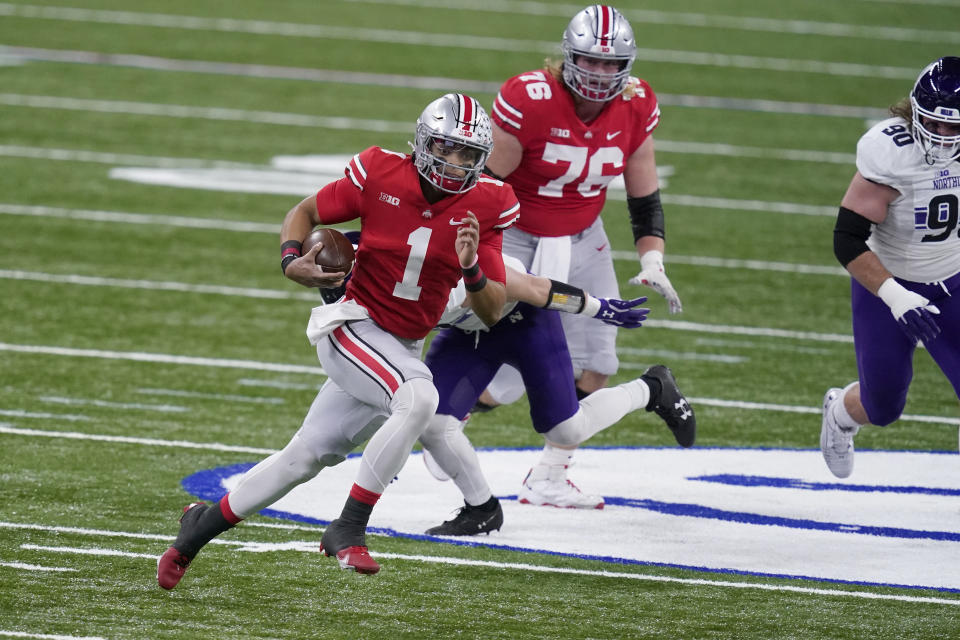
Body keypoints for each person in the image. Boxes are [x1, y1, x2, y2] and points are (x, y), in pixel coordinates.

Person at [156, 93, 519, 588]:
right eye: (446, 148)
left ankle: (196, 530)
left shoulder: (491, 202)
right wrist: (291, 261)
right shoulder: (379, 172)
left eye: (467, 155)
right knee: (419, 397)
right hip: (352, 324)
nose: (455, 164)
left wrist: (472, 265)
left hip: (398, 345)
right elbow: (304, 212)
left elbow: (493, 307)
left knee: (304, 457)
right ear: (422, 142)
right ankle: (348, 527)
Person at [474, 4, 687, 505]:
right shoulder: (529, 98)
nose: (600, 73)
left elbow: (643, 194)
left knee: (598, 364)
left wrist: (652, 258)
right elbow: (486, 185)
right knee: (494, 369)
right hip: (516, 235)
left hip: (584, 239)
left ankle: (550, 474)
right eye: (590, 61)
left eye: (612, 64)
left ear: (626, 67)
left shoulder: (637, 103)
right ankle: (440, 428)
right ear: (567, 58)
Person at [419, 255, 695, 532]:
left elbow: (540, 291)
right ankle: (482, 509)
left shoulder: (470, 268)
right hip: (467, 331)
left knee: (566, 431)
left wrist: (600, 309)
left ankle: (651, 388)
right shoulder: (390, 288)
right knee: (432, 424)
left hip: (522, 320)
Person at [820, 56, 960, 479]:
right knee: (882, 407)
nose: (939, 136)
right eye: (932, 123)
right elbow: (846, 238)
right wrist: (896, 296)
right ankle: (840, 415)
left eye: (951, 127)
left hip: (954, 277)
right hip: (887, 283)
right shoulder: (891, 152)